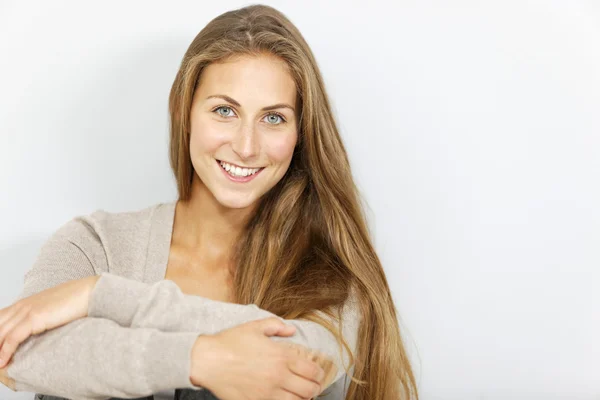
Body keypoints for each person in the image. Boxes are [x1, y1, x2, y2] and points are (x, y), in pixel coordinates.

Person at [0, 4, 418, 400]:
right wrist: (201, 359)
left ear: (301, 134)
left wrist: (98, 297)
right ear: (185, 113)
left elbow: (301, 358)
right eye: (224, 111)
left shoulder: (329, 275)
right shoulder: (94, 246)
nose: (247, 146)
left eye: (273, 117)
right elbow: (20, 352)